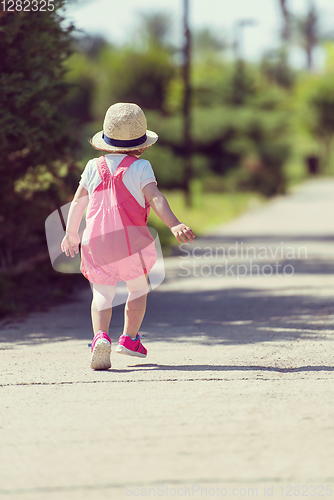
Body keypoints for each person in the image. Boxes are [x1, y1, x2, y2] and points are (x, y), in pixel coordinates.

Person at [61, 102, 195, 370]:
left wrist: (70, 233)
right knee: (137, 289)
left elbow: (77, 203)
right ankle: (130, 338)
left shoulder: (91, 167)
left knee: (102, 293)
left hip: (96, 242)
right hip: (130, 244)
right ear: (142, 144)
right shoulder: (141, 167)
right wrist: (174, 223)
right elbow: (155, 198)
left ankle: (100, 337)